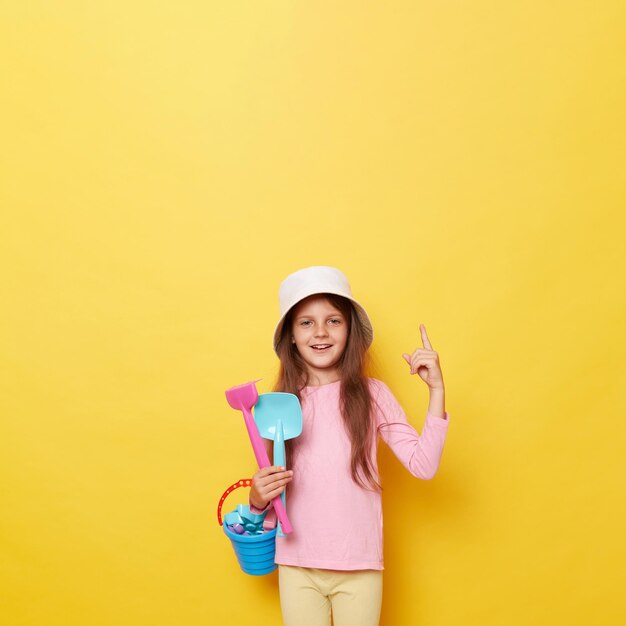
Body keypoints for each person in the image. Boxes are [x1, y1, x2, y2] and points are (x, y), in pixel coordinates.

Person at [248, 266, 450, 626]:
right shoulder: (276, 406)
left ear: (349, 330)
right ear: (291, 336)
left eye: (334, 321)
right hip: (297, 565)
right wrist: (258, 499)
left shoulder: (374, 395)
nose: (321, 332)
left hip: (359, 566)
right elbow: (272, 503)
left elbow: (424, 465)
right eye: (306, 322)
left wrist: (436, 391)